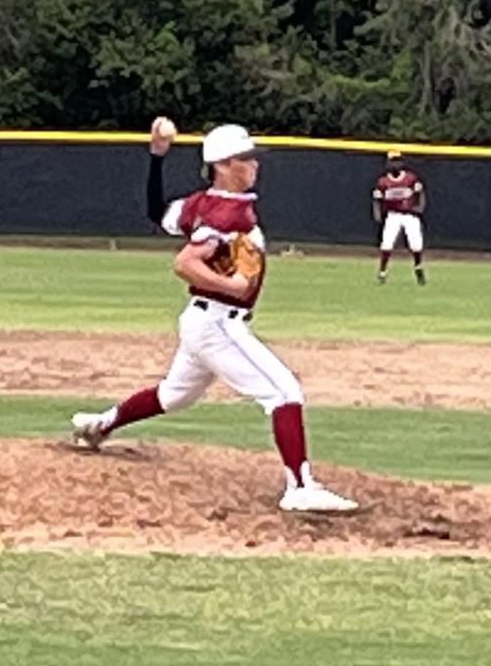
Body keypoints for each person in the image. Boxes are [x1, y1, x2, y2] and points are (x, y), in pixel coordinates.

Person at [70, 117, 358, 512]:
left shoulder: (200, 204)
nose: (255, 164)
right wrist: (232, 287)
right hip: (218, 322)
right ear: (223, 165)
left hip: (201, 321)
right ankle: (299, 486)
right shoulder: (227, 215)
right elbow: (185, 262)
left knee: (173, 395)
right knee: (284, 392)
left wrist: (156, 157)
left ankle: (99, 425)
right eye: (246, 158)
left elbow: (158, 214)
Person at [372, 150, 427, 285]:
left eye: (398, 161)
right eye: (393, 161)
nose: (395, 164)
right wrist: (377, 213)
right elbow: (376, 199)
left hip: (410, 215)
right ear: (388, 163)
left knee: (416, 244)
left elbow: (420, 192)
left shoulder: (410, 178)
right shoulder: (383, 182)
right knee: (387, 244)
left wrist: (420, 207)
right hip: (393, 215)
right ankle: (382, 271)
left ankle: (418, 267)